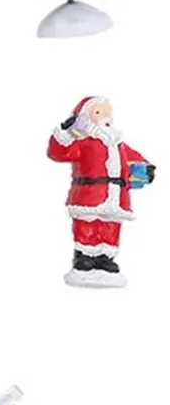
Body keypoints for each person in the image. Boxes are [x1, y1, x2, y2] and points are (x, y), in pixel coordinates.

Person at [47, 96, 154, 287]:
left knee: (110, 226)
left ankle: (105, 257)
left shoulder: (118, 144)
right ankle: (85, 256)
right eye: (98, 112)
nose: (106, 116)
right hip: (90, 193)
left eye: (107, 112)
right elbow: (58, 152)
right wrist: (65, 132)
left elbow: (133, 157)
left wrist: (145, 167)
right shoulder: (83, 143)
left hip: (116, 195)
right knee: (87, 224)